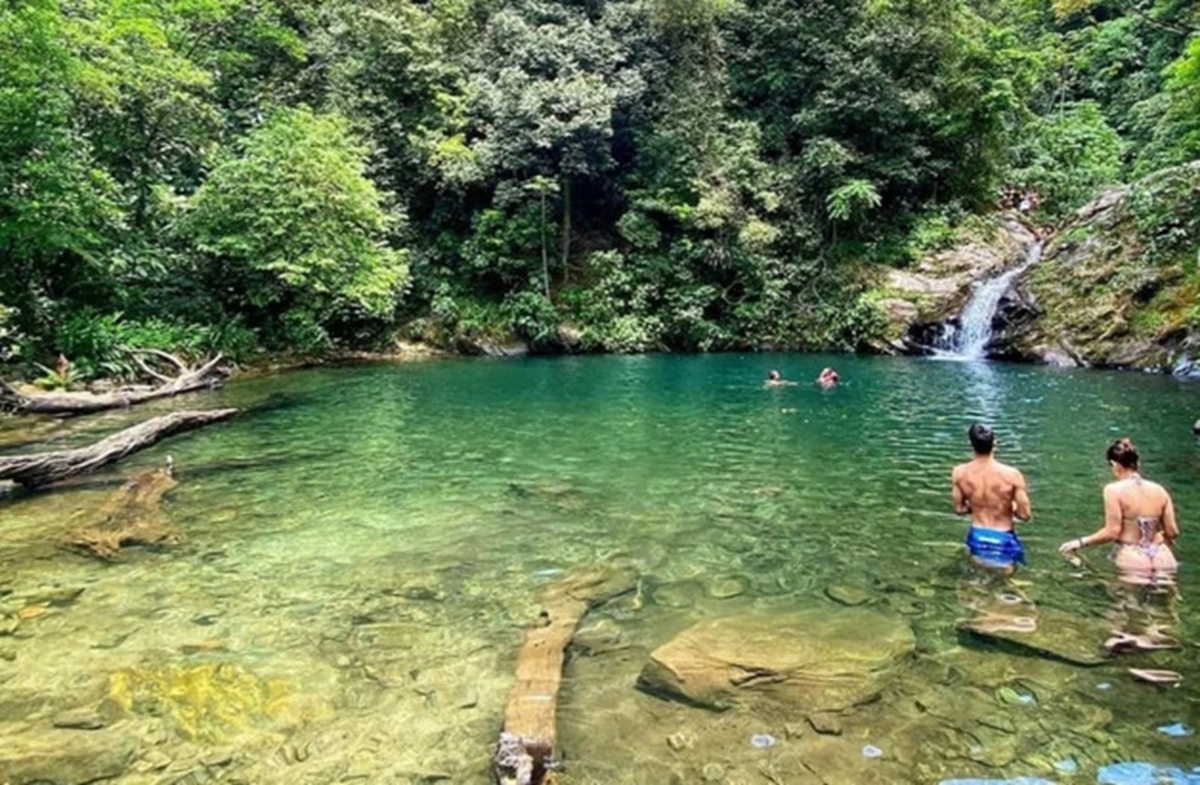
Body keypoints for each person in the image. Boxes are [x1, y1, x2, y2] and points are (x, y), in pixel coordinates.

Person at [1058, 438, 1179, 585]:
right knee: (1169, 599)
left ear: (1115, 465)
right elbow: (1172, 532)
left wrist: (1080, 542)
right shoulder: (1159, 490)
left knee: (1123, 598)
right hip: (1162, 557)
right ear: (1137, 463)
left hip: (1132, 557)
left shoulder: (1113, 490)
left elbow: (1112, 532)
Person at [951, 423, 1032, 574]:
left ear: (970, 444)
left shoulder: (959, 473)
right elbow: (1025, 515)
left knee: (977, 577)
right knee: (1006, 581)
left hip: (977, 534)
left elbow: (959, 509)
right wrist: (1010, 507)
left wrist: (976, 506)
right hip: (1004, 536)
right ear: (995, 442)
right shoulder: (1012, 475)